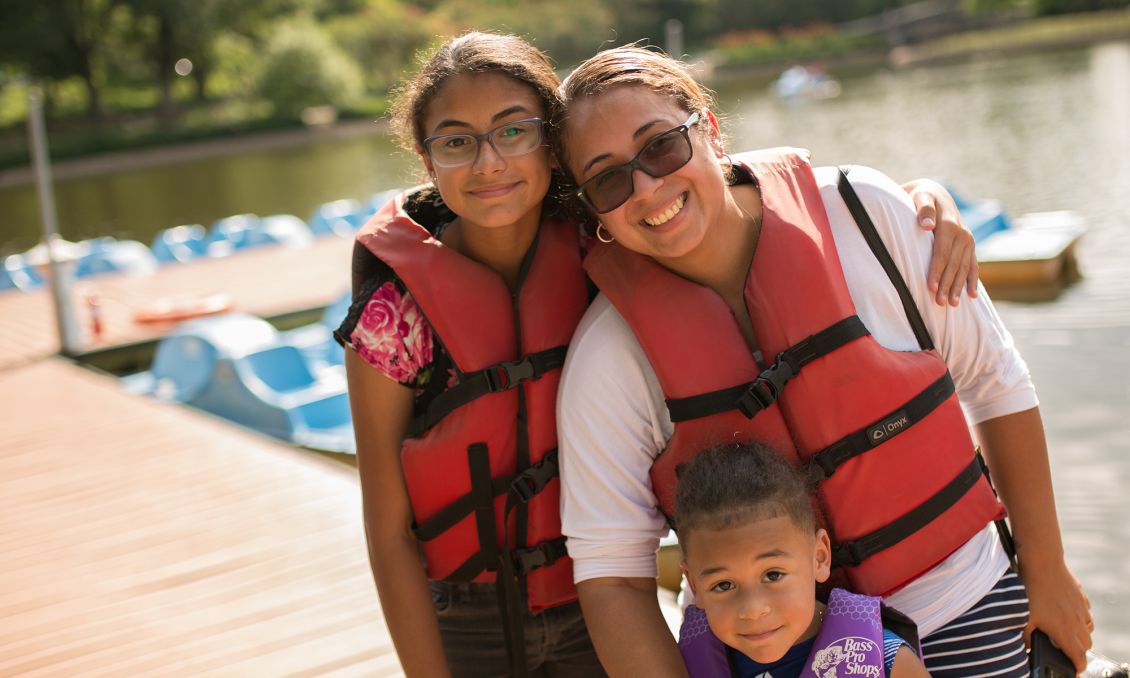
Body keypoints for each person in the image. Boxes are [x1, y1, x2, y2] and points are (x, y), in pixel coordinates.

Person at [336, 32, 977, 677]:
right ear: (425, 156)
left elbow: (699, 172)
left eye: (514, 131)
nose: (488, 162)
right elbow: (388, 528)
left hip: (592, 608)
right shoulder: (394, 316)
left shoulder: (604, 237)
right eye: (455, 142)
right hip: (468, 620)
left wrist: (920, 197)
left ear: (553, 151)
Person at [553, 46, 1093, 678]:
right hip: (776, 657)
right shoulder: (609, 358)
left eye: (662, 146)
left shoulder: (868, 215)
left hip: (967, 604)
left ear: (710, 128)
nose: (647, 186)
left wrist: (1047, 569)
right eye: (609, 179)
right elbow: (611, 572)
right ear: (592, 209)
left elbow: (995, 383)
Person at [675, 441, 930, 678]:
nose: (753, 609)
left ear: (819, 558)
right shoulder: (681, 666)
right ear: (694, 586)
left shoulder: (887, 661)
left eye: (773, 575)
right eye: (723, 585)